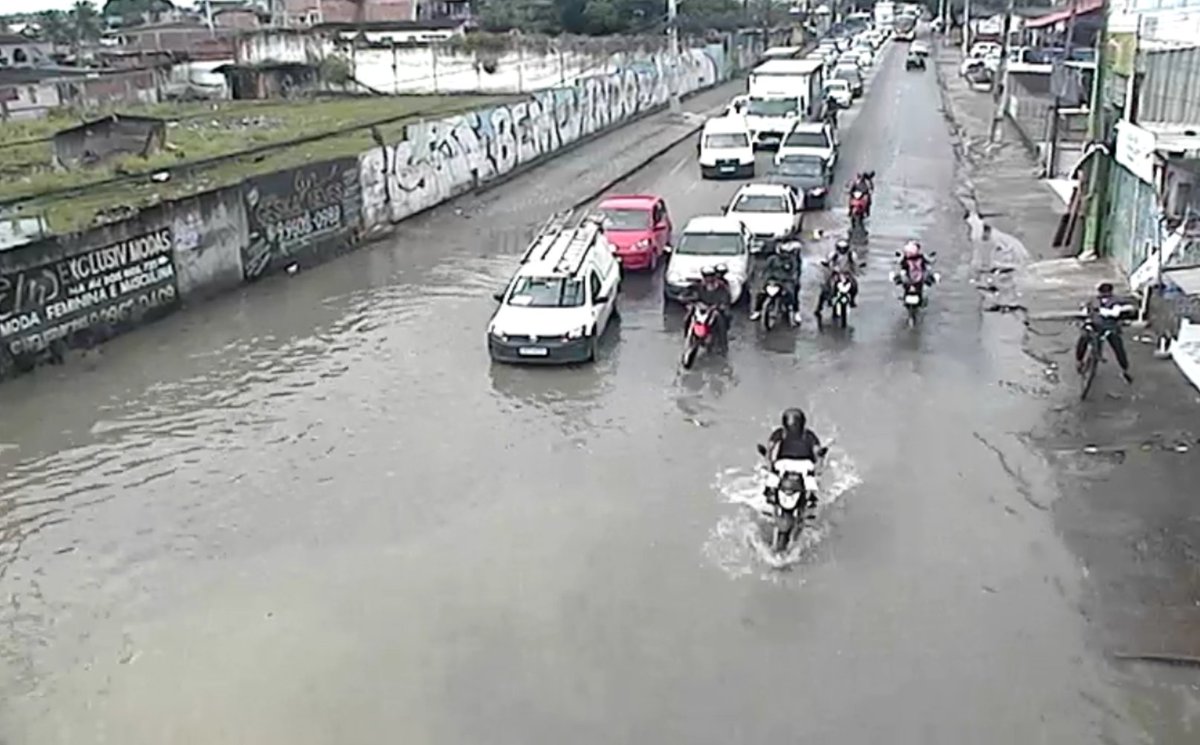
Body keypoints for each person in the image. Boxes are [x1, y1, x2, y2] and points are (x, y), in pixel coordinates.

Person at [764, 408, 826, 506]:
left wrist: (769, 462)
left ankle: (770, 493)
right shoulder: (809, 435)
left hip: (783, 463)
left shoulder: (780, 433)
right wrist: (819, 464)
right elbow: (817, 452)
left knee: (774, 474)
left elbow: (770, 449)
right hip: (805, 464)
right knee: (809, 478)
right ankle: (811, 497)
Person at [1075, 282, 1134, 383]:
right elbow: (1085, 310)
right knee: (1084, 338)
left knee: (1117, 346)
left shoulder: (1116, 301)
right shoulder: (1093, 300)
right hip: (1095, 324)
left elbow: (1115, 313)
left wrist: (1101, 311)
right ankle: (1079, 361)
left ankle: (1125, 369)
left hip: (1109, 327)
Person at [750, 242, 803, 324]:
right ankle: (757, 311)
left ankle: (796, 313)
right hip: (773, 281)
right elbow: (766, 270)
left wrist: (793, 278)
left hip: (786, 282)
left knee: (791, 294)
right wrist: (765, 278)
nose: (784, 254)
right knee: (761, 294)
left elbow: (794, 271)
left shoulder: (791, 260)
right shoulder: (772, 259)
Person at [687, 265, 732, 351]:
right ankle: (688, 335)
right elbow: (689, 293)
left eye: (710, 276)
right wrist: (689, 300)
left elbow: (726, 299)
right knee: (688, 316)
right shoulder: (699, 286)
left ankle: (723, 345)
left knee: (719, 318)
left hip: (715, 310)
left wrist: (719, 306)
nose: (708, 278)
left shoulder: (721, 287)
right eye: (706, 276)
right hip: (702, 309)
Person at [815, 238, 859, 315]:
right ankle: (820, 307)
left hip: (847, 275)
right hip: (835, 274)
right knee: (826, 288)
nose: (842, 251)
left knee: (855, 286)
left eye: (844, 249)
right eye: (840, 249)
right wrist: (828, 266)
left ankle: (852, 300)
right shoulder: (833, 255)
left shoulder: (851, 255)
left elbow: (855, 265)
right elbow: (828, 262)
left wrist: (855, 271)